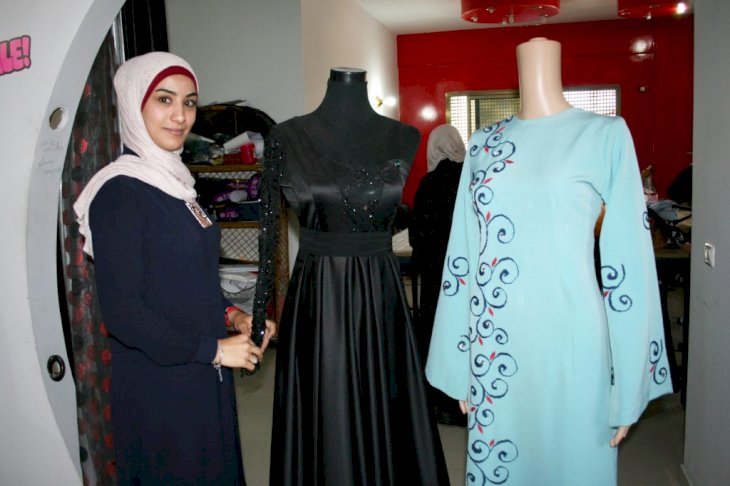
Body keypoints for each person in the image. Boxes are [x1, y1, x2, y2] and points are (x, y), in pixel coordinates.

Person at [425, 37, 673, 485]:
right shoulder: (483, 143)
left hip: (574, 343)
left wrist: (630, 379)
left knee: (574, 467)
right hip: (495, 342)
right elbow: (461, 256)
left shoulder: (605, 134)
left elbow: (630, 264)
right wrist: (457, 360)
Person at [73, 51, 275, 484]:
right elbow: (124, 313)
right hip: (160, 383)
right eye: (164, 100)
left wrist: (232, 316)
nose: (180, 116)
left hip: (199, 371)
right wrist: (216, 350)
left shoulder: (178, 183)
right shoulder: (121, 192)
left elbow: (187, 279)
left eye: (188, 102)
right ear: (133, 104)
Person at [253, 67, 450, 485]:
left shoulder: (404, 136)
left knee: (387, 403)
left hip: (381, 292)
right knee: (324, 405)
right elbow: (268, 226)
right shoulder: (285, 137)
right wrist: (257, 317)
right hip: (316, 294)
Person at [409, 124, 466, 425]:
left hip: (436, 273)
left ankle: (439, 402)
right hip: (467, 274)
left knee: (437, 333)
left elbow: (417, 235)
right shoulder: (472, 179)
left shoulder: (430, 183)